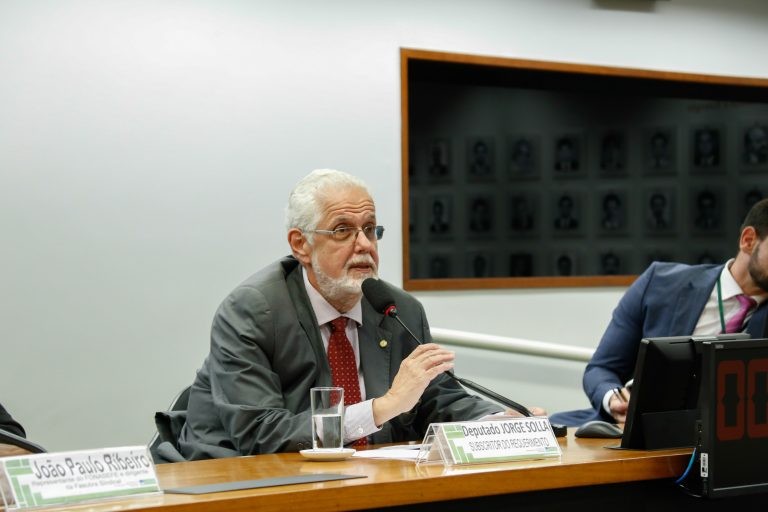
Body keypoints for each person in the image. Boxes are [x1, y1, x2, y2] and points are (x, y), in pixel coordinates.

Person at [179, 169, 543, 459]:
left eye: (370, 230)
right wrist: (380, 409)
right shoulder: (253, 310)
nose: (365, 245)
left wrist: (497, 421)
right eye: (343, 231)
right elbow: (260, 433)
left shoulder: (397, 310)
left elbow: (438, 397)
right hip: (242, 483)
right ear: (300, 244)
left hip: (366, 484)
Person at [549, 198, 768, 427]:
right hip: (644, 431)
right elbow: (602, 369)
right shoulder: (659, 284)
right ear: (748, 240)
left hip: (733, 441)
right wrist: (614, 400)